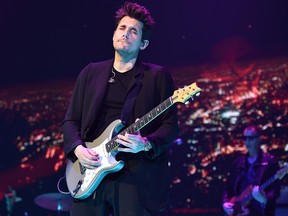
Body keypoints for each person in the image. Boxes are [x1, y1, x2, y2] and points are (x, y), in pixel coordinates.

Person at [62, 2, 179, 216]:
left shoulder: (157, 76)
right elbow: (71, 121)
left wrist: (145, 144)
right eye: (122, 28)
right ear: (114, 34)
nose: (126, 33)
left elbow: (171, 127)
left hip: (134, 175)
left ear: (143, 44)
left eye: (133, 31)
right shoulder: (91, 72)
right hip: (91, 169)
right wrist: (78, 149)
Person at [222, 125, 281, 216]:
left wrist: (265, 200)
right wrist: (225, 203)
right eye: (245, 138)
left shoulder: (270, 162)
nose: (247, 141)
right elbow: (228, 187)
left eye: (251, 138)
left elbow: (275, 190)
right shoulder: (237, 163)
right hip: (239, 210)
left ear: (259, 139)